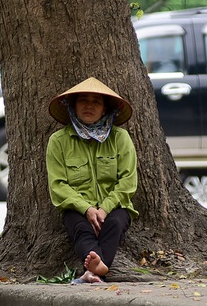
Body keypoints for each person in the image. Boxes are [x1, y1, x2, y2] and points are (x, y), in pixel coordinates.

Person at [46, 77, 138, 283]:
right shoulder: (58, 141)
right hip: (76, 209)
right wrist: (87, 209)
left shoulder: (120, 138)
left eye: (96, 101)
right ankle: (100, 270)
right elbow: (58, 185)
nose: (89, 105)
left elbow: (127, 181)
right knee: (81, 229)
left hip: (115, 208)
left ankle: (93, 272)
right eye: (83, 100)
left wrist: (104, 209)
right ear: (73, 106)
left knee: (114, 224)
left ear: (105, 109)